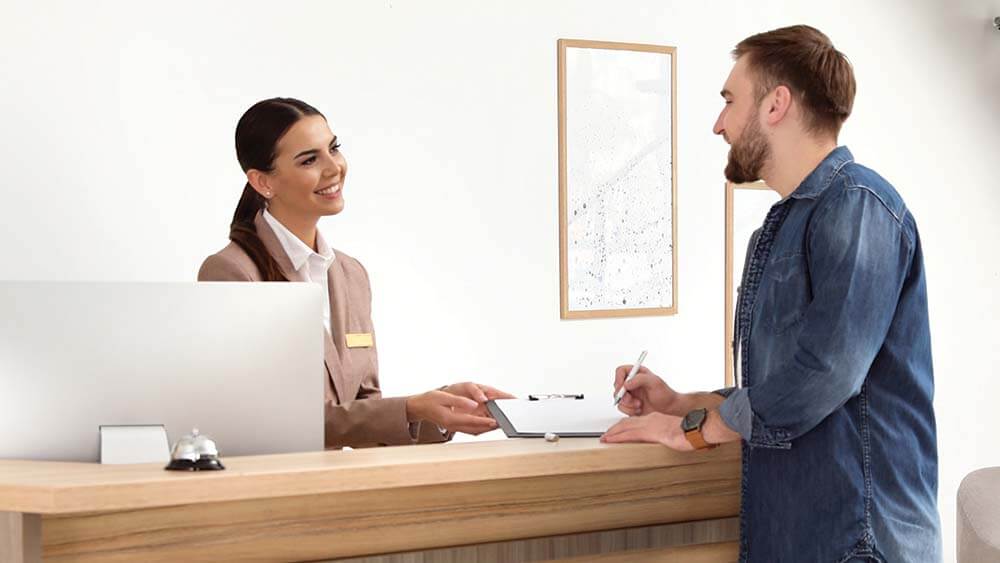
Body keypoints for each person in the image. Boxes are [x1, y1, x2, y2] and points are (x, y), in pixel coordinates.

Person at [601, 26, 940, 562]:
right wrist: (682, 402)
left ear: (776, 104)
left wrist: (692, 431)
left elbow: (827, 372)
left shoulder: (859, 206)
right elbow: (779, 391)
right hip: (795, 540)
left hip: (856, 544)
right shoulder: (780, 231)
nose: (719, 124)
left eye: (730, 101)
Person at [199, 97, 513, 449]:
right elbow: (265, 422)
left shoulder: (351, 275)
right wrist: (410, 408)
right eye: (309, 159)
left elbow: (364, 412)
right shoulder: (232, 273)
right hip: (273, 490)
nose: (334, 168)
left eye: (334, 149)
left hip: (345, 489)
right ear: (262, 182)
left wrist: (439, 408)